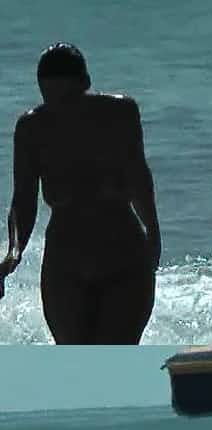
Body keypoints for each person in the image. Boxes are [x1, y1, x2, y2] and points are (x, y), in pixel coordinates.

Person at [0, 42, 161, 344]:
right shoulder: (32, 128)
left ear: (86, 83)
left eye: (67, 97)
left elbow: (139, 177)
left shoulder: (120, 113)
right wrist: (14, 252)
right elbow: (23, 199)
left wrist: (153, 232)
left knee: (114, 357)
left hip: (123, 259)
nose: (62, 109)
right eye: (51, 98)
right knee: (76, 359)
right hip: (66, 265)